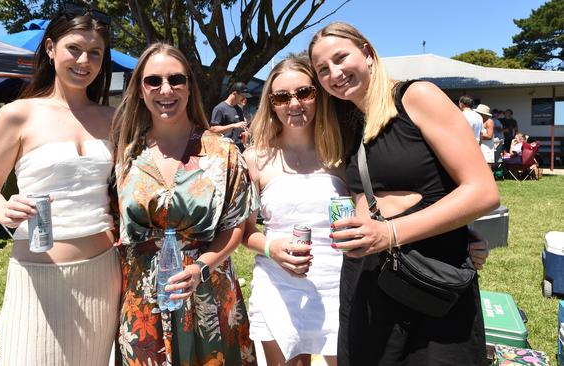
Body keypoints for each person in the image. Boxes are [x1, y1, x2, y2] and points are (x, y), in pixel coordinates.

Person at [309, 22, 499, 365]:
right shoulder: (346, 120)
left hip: (431, 273)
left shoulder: (417, 96)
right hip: (368, 277)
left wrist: (390, 232)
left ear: (367, 52)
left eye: (340, 58)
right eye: (323, 69)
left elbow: (482, 191)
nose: (334, 73)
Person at [0, 5, 120, 365]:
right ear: (51, 48)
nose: (84, 60)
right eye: (74, 49)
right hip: (39, 276)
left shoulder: (113, 118)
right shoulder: (17, 114)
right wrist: (3, 209)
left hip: (104, 273)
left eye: (95, 53)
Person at [110, 43, 257, 365]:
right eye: (153, 81)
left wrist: (200, 267)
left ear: (190, 86)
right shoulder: (125, 154)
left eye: (176, 79)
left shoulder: (223, 153)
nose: (166, 89)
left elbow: (235, 227)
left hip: (209, 294)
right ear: (139, 90)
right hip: (143, 302)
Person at [242, 57, 346, 365]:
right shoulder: (255, 159)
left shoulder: (342, 154)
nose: (294, 103)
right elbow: (244, 231)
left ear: (319, 95)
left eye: (304, 93)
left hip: (339, 284)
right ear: (271, 104)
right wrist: (272, 247)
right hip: (279, 285)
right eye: (282, 97)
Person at [210, 82, 252, 152]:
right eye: (243, 96)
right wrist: (233, 125)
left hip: (239, 148)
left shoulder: (239, 109)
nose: (244, 98)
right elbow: (213, 129)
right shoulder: (220, 108)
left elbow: (241, 128)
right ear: (234, 93)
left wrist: (245, 132)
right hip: (224, 149)